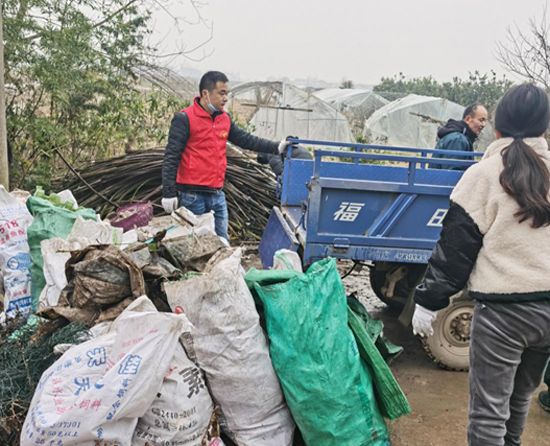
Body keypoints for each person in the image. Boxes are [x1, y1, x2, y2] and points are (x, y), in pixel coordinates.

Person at [412, 84, 550, 445]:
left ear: (497, 128)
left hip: (504, 315)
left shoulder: (485, 174)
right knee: (520, 399)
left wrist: (428, 301)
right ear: (544, 129)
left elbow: (455, 251)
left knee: (489, 413)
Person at [161, 71, 290, 240]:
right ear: (205, 94)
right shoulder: (185, 119)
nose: (225, 98)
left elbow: (246, 140)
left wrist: (276, 147)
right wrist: (169, 192)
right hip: (192, 197)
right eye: (221, 93)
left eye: (226, 94)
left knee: (222, 242)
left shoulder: (224, 119)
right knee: (196, 246)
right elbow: (171, 157)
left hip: (217, 195)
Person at [430, 104, 488, 170]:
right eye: (481, 120)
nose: (484, 124)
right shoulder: (458, 140)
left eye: (485, 121)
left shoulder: (461, 137)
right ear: (468, 119)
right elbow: (451, 173)